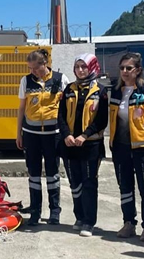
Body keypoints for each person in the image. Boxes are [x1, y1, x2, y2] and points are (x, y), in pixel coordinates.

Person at [108, 52, 144, 242]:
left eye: (129, 68)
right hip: (121, 147)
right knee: (125, 186)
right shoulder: (116, 91)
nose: (124, 71)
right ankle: (128, 223)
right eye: (122, 68)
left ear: (138, 70)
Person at [57, 53, 108, 237]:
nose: (80, 70)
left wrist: (85, 135)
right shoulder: (69, 89)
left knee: (89, 183)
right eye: (77, 67)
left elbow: (102, 119)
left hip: (90, 146)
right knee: (75, 183)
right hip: (69, 145)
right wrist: (67, 135)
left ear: (92, 67)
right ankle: (79, 217)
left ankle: (89, 221)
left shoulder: (100, 91)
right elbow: (60, 115)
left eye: (84, 66)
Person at [16, 49, 69, 226]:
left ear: (44, 64)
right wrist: (18, 133)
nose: (33, 72)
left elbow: (68, 108)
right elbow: (21, 108)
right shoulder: (26, 81)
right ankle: (35, 211)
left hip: (53, 135)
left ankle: (55, 211)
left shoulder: (60, 79)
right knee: (34, 174)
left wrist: (67, 133)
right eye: (30, 68)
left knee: (53, 173)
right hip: (31, 135)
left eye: (35, 68)